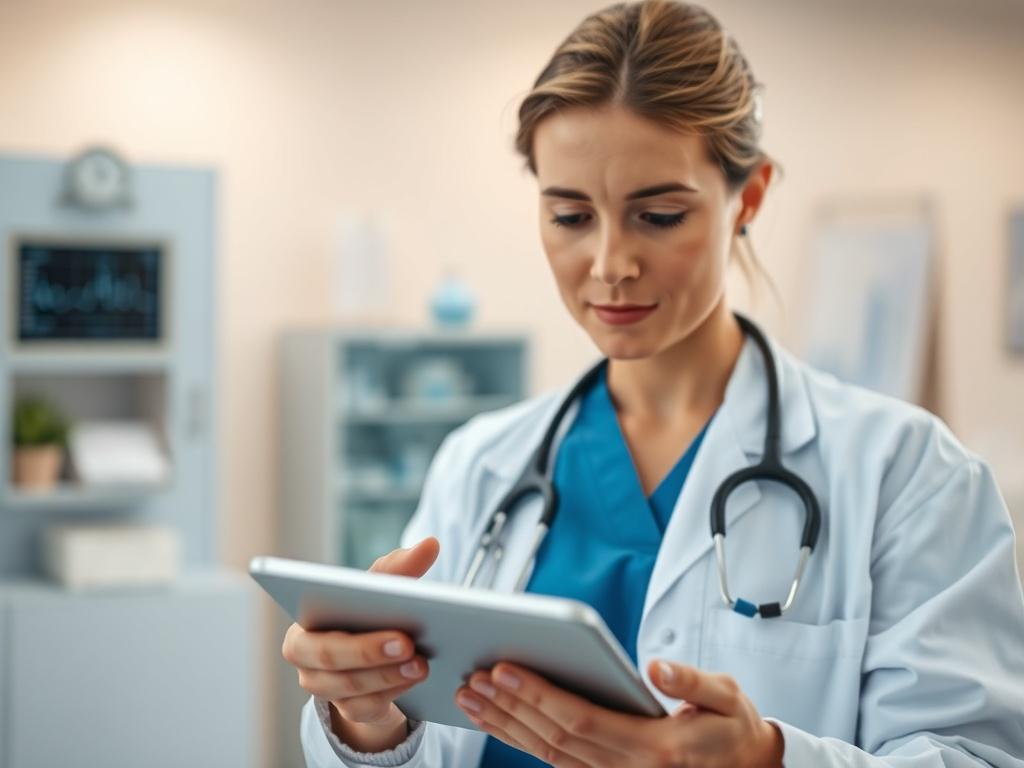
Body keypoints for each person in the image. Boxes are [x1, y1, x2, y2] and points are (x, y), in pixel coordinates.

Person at [282, 1, 1024, 766]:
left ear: (752, 197)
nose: (610, 263)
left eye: (660, 215)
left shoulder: (908, 475)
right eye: (571, 216)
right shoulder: (481, 465)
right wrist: (366, 715)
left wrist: (767, 760)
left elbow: (978, 756)